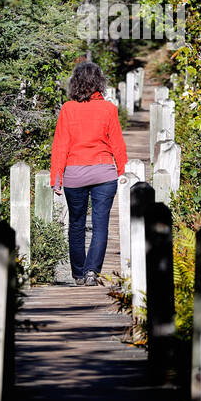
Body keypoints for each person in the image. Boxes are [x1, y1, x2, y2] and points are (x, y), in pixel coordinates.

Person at [50, 62, 128, 286]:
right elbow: (117, 145)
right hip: (104, 174)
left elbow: (60, 146)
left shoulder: (68, 109)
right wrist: (123, 172)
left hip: (74, 174)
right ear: (99, 83)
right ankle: (92, 271)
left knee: (76, 224)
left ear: (75, 82)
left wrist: (57, 178)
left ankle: (78, 274)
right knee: (101, 224)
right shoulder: (109, 109)